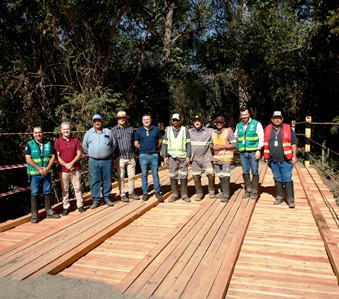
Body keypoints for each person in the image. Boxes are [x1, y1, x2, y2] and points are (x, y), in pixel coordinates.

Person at [25, 126, 60, 223]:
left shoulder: (48, 143)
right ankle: (34, 215)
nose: (38, 134)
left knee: (47, 191)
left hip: (46, 173)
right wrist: (39, 169)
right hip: (35, 173)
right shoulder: (29, 144)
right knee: (35, 192)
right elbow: (28, 159)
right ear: (33, 134)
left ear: (42, 133)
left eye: (39, 132)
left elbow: (53, 156)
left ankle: (48, 211)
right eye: (36, 133)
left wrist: (47, 169)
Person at [263, 111, 297, 208]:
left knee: (287, 179)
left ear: (282, 119)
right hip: (273, 160)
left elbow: (294, 143)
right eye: (275, 118)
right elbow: (264, 142)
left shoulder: (288, 129)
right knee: (277, 178)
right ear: (272, 119)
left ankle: (290, 199)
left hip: (286, 159)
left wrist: (294, 156)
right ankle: (279, 197)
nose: (277, 119)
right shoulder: (268, 129)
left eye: (279, 118)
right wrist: (264, 155)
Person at [82, 114, 116, 208]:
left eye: (99, 120)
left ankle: (106, 197)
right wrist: (92, 153)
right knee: (94, 180)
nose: (97, 122)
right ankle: (96, 200)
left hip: (107, 160)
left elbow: (113, 144)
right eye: (95, 121)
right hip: (93, 160)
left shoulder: (108, 132)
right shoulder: (89, 133)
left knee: (107, 179)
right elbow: (84, 146)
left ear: (102, 121)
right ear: (93, 122)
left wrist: (107, 152)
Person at [54, 122, 84, 215]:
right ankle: (66, 206)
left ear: (70, 130)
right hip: (63, 170)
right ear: (61, 130)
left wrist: (71, 163)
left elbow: (79, 154)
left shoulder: (75, 140)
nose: (66, 131)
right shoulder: (57, 142)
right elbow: (57, 156)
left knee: (77, 187)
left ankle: (80, 205)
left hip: (75, 168)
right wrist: (66, 164)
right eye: (64, 129)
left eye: (67, 129)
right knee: (65, 189)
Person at [234, 107, 264, 200]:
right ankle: (248, 190)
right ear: (240, 116)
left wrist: (259, 150)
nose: (244, 116)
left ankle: (254, 191)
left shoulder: (256, 124)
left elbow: (261, 137)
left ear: (249, 114)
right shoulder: (238, 125)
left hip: (253, 151)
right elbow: (235, 136)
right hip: (243, 152)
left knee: (254, 171)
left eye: (246, 114)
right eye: (242, 115)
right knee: (245, 171)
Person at [162, 113, 191, 202]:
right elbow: (164, 144)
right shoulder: (168, 130)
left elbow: (188, 143)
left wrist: (188, 156)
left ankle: (184, 194)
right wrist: (164, 156)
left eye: (177, 120)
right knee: (172, 175)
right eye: (174, 120)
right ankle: (174, 194)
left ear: (180, 121)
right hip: (172, 157)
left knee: (183, 175)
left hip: (182, 157)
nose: (175, 122)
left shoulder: (184, 130)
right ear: (171, 121)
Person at [111, 110, 139, 202]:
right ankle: (122, 194)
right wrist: (114, 158)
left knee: (132, 176)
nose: (122, 119)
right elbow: (113, 145)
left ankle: (131, 192)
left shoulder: (130, 129)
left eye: (123, 118)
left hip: (130, 156)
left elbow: (133, 142)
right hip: (120, 157)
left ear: (126, 119)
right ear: (117, 119)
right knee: (121, 177)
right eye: (120, 118)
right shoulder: (113, 130)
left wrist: (135, 154)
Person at [134, 113, 163, 201]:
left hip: (154, 155)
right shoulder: (139, 130)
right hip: (143, 155)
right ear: (142, 121)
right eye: (144, 119)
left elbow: (160, 140)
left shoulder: (156, 129)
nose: (146, 121)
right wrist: (142, 149)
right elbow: (136, 143)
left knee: (155, 174)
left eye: (148, 119)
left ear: (151, 120)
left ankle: (157, 192)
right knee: (144, 174)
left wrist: (156, 148)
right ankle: (145, 193)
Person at [188, 115, 216, 201]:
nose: (197, 122)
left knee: (211, 174)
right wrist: (168, 128)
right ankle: (199, 193)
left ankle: (212, 191)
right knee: (196, 175)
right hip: (194, 158)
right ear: (193, 122)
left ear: (201, 121)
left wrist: (228, 129)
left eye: (199, 120)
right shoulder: (188, 131)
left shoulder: (209, 131)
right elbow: (178, 131)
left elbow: (220, 130)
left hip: (206, 157)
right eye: (195, 121)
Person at [211, 116, 237, 203]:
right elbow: (210, 144)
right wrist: (212, 147)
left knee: (226, 176)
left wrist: (222, 146)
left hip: (226, 158)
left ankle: (226, 195)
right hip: (216, 159)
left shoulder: (228, 132)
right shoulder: (213, 133)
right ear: (215, 123)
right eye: (217, 122)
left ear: (224, 123)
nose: (219, 123)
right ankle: (223, 192)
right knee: (220, 175)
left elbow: (234, 145)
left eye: (221, 122)